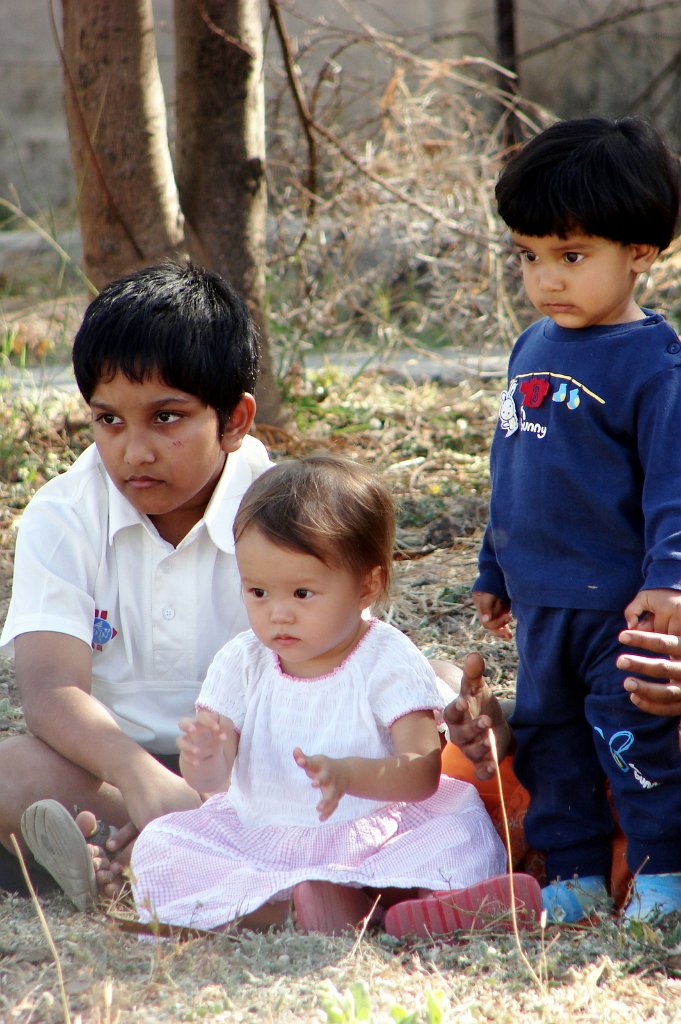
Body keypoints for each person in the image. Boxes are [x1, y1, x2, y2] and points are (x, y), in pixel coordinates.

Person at [130, 456, 531, 936]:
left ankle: (430, 902)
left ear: (367, 586)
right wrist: (204, 757)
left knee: (455, 831)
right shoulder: (241, 662)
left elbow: (423, 773)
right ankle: (299, 911)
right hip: (266, 836)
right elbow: (212, 784)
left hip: (379, 829)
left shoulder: (386, 658)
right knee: (163, 846)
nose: (278, 614)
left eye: (302, 593)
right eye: (257, 592)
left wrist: (350, 776)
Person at [0, 259, 272, 909]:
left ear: (235, 420)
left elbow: (328, 670)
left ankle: (136, 859)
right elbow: (51, 689)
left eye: (166, 418)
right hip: (109, 774)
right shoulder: (63, 515)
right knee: (9, 770)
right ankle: (153, 851)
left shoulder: (284, 510)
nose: (134, 451)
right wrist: (137, 776)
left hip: (256, 773)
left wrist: (211, 793)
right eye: (110, 421)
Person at [471, 115, 681, 924]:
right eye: (527, 256)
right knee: (548, 739)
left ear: (638, 252)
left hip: (617, 607)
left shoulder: (655, 366)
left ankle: (660, 877)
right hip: (540, 602)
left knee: (630, 739)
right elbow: (511, 468)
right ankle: (573, 877)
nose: (545, 280)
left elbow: (672, 486)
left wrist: (667, 578)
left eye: (569, 256)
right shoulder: (531, 345)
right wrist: (493, 568)